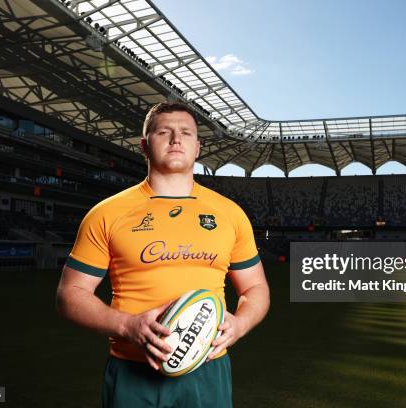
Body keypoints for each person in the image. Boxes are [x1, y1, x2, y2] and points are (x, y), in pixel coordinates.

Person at [56, 101, 270, 407]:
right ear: (144, 145)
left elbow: (255, 288)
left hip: (207, 369)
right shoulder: (106, 213)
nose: (176, 139)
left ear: (198, 147)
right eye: (163, 132)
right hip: (132, 370)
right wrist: (127, 326)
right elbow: (70, 294)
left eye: (185, 132)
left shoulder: (230, 214)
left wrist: (241, 324)